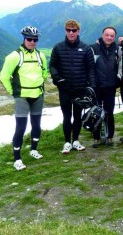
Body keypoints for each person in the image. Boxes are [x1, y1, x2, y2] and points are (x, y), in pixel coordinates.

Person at [0, 26, 48, 171]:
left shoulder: (41, 55)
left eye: (35, 39)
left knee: (37, 125)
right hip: (22, 97)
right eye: (29, 39)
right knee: (20, 128)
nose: (32, 42)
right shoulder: (14, 56)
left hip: (37, 95)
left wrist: (40, 84)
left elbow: (44, 72)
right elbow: (3, 76)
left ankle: (33, 149)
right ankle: (17, 158)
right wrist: (13, 92)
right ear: (24, 39)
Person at [50, 19, 96, 154]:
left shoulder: (86, 48)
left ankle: (75, 140)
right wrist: (57, 78)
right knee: (66, 116)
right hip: (64, 89)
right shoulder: (58, 48)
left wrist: (92, 87)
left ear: (78, 31)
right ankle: (67, 142)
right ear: (65, 31)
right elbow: (52, 65)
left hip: (80, 89)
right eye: (68, 30)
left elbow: (90, 69)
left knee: (77, 116)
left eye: (74, 30)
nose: (71, 33)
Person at [90, 26, 118, 147]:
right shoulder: (93, 48)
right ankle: (96, 137)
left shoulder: (117, 49)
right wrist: (91, 83)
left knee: (109, 112)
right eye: (107, 35)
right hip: (97, 86)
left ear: (114, 37)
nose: (109, 37)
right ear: (102, 35)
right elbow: (89, 67)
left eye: (112, 36)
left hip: (111, 86)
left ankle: (110, 137)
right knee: (96, 112)